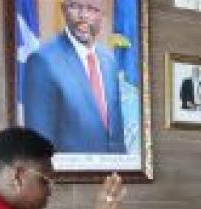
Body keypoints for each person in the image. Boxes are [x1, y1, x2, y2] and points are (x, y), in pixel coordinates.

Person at [23, 0, 126, 154]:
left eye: (91, 8)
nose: (83, 15)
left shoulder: (109, 61)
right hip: (70, 176)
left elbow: (116, 137)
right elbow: (39, 145)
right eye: (75, 6)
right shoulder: (42, 61)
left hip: (113, 174)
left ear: (102, 14)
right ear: (64, 10)